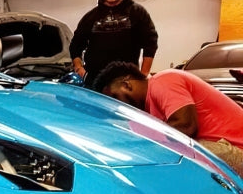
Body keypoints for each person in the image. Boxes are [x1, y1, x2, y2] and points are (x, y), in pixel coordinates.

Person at [94, 61, 243, 176]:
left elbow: (186, 126)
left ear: (126, 84)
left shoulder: (164, 80)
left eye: (115, 97)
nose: (118, 106)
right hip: (219, 150)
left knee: (180, 154)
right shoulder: (143, 115)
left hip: (236, 150)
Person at [69, 0, 158, 91]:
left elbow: (151, 43)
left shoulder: (137, 13)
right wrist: (79, 68)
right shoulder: (90, 17)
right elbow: (75, 45)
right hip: (94, 83)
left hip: (126, 82)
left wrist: (143, 76)